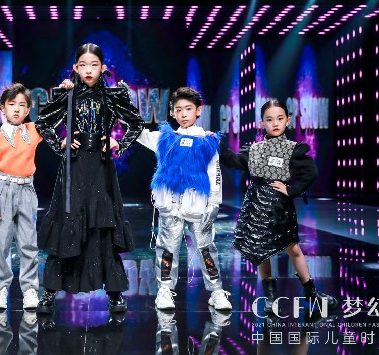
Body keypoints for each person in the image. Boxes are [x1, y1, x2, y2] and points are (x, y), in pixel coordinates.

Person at [34, 43, 145, 314]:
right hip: (73, 165)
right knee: (69, 219)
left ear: (102, 68)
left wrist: (119, 142)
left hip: (101, 166)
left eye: (93, 65)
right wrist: (60, 142)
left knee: (103, 223)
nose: (88, 70)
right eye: (82, 65)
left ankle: (115, 293)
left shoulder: (112, 96)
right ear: (75, 68)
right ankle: (50, 291)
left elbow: (136, 123)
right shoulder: (68, 94)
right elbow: (42, 123)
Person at [219, 99, 338, 314]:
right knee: (260, 250)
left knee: (293, 248)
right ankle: (270, 297)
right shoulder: (254, 149)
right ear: (262, 123)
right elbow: (234, 161)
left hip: (279, 207)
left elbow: (310, 173)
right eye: (270, 119)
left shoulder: (292, 149)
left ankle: (311, 293)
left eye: (280, 118)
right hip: (256, 205)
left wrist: (291, 190)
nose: (275, 123)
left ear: (288, 121)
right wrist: (217, 145)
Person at [136, 87, 232, 311]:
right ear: (172, 112)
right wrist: (123, 107)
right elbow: (139, 133)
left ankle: (216, 291)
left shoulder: (207, 141)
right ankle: (164, 289)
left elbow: (214, 174)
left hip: (198, 204)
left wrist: (214, 204)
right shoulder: (165, 139)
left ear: (198, 110)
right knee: (167, 249)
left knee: (206, 249)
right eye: (178, 109)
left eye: (188, 109)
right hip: (170, 205)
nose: (183, 114)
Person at [0, 83, 43, 311]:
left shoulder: (33, 131)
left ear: (28, 110)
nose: (16, 109)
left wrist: (66, 90)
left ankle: (30, 289)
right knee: (1, 244)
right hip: (3, 190)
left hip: (26, 190)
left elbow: (54, 116)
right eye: (11, 104)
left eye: (22, 105)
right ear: (2, 108)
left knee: (29, 243)